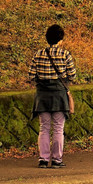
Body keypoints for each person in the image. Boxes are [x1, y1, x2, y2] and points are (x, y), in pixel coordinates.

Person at [27, 24, 76, 169]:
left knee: (44, 128)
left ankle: (43, 159)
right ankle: (56, 160)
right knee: (58, 128)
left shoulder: (38, 54)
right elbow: (72, 75)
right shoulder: (65, 55)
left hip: (42, 95)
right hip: (59, 95)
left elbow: (30, 75)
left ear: (47, 38)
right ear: (61, 39)